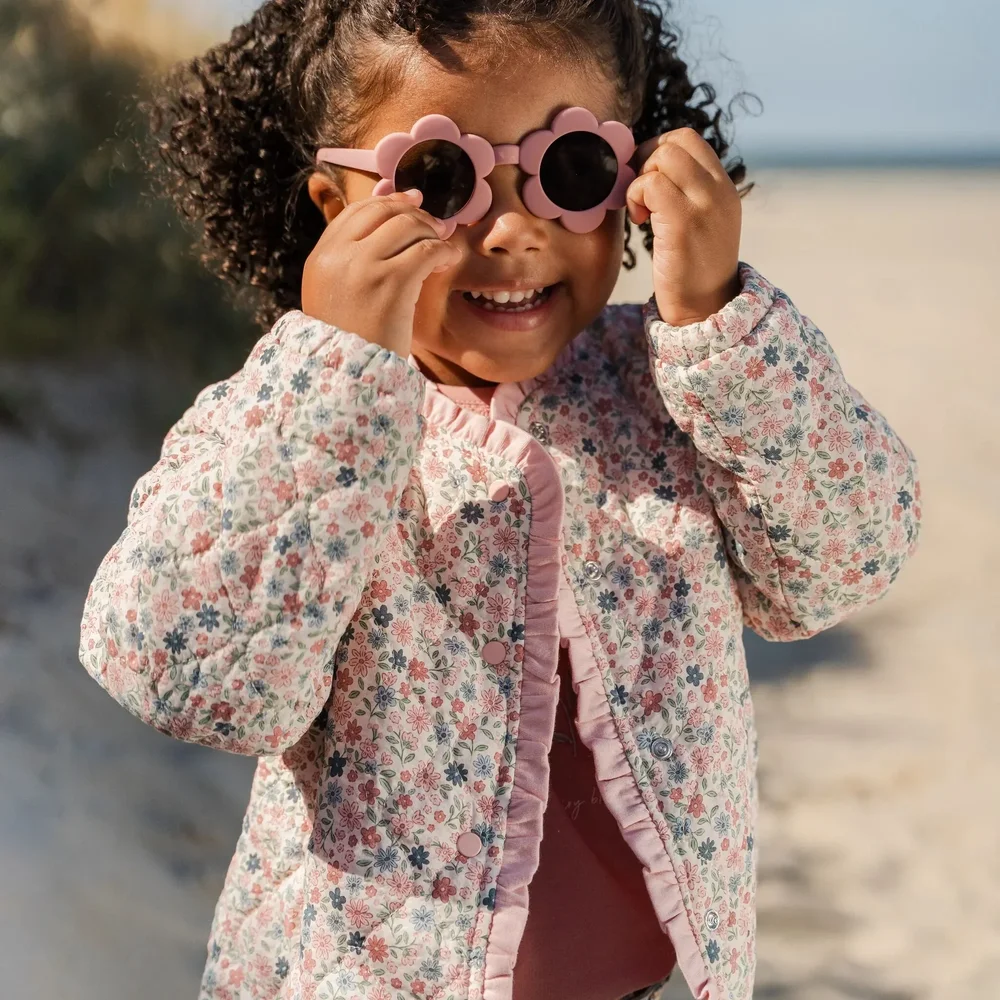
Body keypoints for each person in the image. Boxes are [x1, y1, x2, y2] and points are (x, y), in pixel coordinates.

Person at [78, 2, 922, 998]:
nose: (512, 230)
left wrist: (722, 323)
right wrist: (335, 369)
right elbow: (185, 675)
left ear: (634, 180)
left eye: (567, 169)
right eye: (438, 182)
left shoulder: (676, 392)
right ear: (332, 205)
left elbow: (841, 563)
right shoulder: (288, 419)